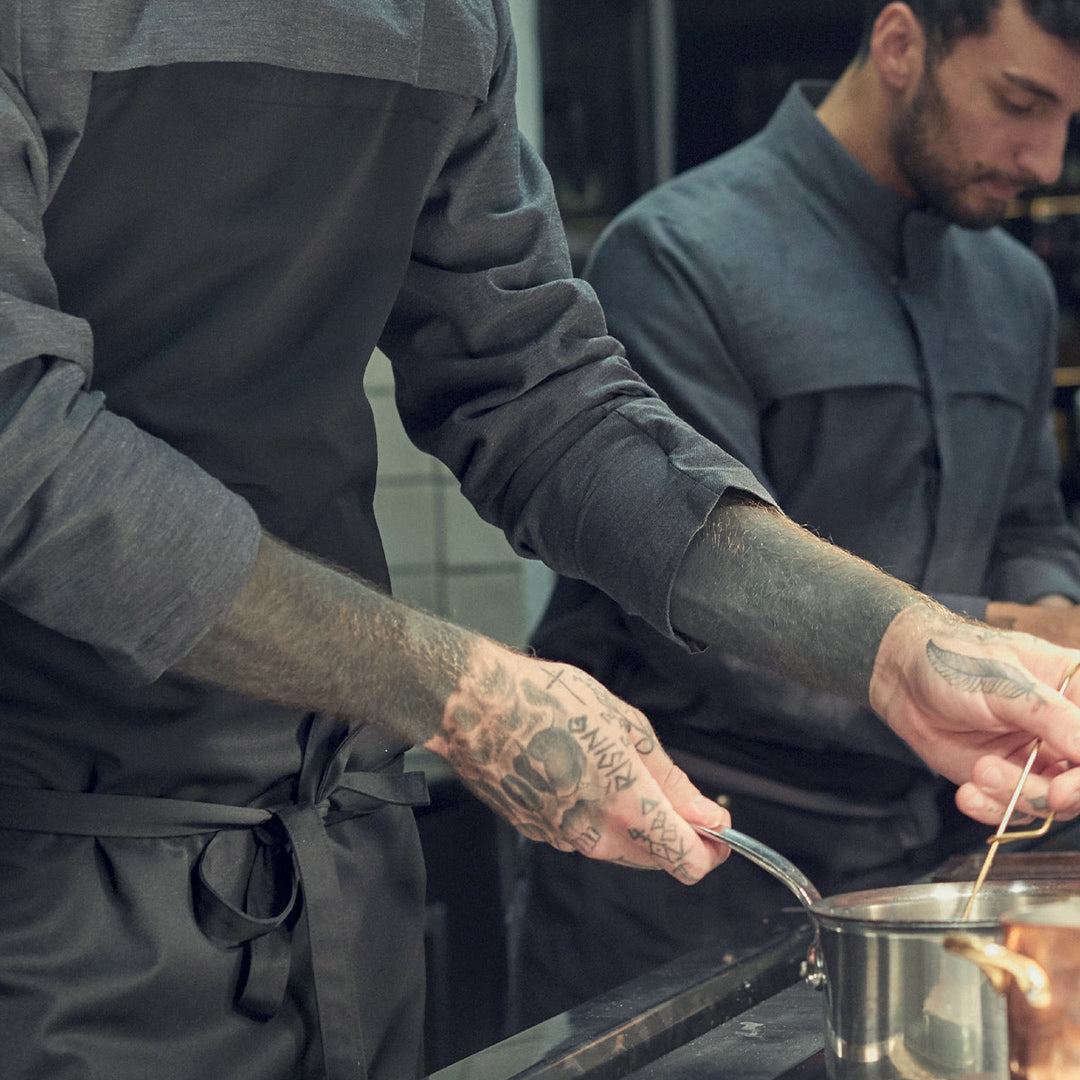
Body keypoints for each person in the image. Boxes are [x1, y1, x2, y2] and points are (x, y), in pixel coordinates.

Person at [3, 3, 1080, 1079]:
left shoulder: (448, 22)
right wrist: (452, 687)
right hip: (52, 868)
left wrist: (889, 645)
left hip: (336, 863)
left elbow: (542, 394)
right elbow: (20, 441)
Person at [507, 0, 1080, 1032]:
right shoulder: (676, 255)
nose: (1044, 159)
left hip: (929, 862)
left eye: (1067, 120)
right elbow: (698, 621)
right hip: (693, 866)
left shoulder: (1013, 290)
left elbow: (1033, 519)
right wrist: (997, 640)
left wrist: (1055, 623)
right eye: (1019, 101)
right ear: (903, 45)